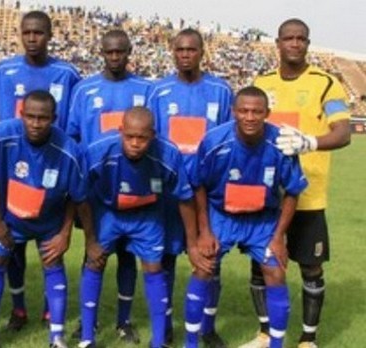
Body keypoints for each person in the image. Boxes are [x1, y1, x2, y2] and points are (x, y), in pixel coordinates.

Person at [0, 90, 93, 348]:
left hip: (49, 222)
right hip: (11, 220)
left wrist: (66, 233)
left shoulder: (70, 150)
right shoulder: (1, 137)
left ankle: (56, 338)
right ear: (21, 114)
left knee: (53, 262)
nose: (36, 124)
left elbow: (78, 197)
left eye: (43, 118)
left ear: (54, 118)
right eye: (31, 117)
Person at [240, 19, 351, 348]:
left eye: (301, 38)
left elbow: (343, 132)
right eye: (288, 38)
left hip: (308, 195)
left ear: (307, 43)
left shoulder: (326, 83)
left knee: (310, 267)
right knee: (261, 266)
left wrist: (310, 144)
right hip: (267, 195)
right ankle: (264, 334)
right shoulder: (262, 82)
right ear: (277, 43)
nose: (295, 43)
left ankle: (307, 339)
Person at [183, 86, 307, 348]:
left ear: (267, 113)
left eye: (257, 112)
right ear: (233, 112)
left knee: (275, 272)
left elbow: (293, 192)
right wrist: (204, 231)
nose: (250, 117)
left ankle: (276, 345)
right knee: (203, 268)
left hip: (262, 221)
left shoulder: (281, 143)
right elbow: (198, 184)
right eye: (244, 111)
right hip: (221, 216)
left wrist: (278, 238)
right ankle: (191, 342)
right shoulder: (214, 140)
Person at [78, 107, 196, 348]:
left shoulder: (168, 153)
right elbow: (79, 195)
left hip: (147, 215)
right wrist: (90, 239)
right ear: (120, 130)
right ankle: (87, 338)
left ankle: (159, 340)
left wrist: (193, 242)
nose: (135, 143)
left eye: (141, 138)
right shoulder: (98, 149)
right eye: (129, 136)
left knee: (154, 268)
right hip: (109, 212)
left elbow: (185, 197)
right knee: (95, 261)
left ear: (152, 135)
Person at [0, 11, 81, 328]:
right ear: (20, 33)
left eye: (39, 32)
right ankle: (18, 309)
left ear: (50, 34)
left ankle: (48, 309)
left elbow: (73, 125)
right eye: (27, 32)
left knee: (49, 244)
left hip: (52, 168)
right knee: (12, 248)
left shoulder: (67, 74)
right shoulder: (4, 70)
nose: (32, 38)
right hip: (13, 167)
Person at [146, 28, 233, 348]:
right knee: (166, 258)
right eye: (180, 49)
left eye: (191, 49)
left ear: (202, 52)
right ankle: (165, 325)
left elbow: (228, 140)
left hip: (207, 192)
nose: (185, 54)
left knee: (211, 259)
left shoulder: (222, 91)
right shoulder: (159, 92)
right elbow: (151, 142)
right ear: (173, 52)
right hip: (169, 193)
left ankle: (207, 327)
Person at [67, 29, 152, 343]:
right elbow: (74, 138)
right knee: (93, 253)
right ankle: (86, 323)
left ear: (130, 51)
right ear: (101, 52)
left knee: (128, 255)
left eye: (121, 52)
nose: (115, 58)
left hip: (135, 187)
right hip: (96, 189)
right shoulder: (84, 90)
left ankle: (124, 320)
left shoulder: (146, 89)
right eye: (109, 52)